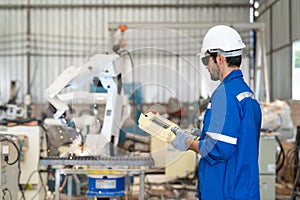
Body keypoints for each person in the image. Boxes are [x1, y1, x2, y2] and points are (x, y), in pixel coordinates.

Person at [171, 25, 262, 200]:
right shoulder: (246, 94)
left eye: (206, 60)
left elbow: (219, 149)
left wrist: (188, 143)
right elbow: (237, 140)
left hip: (224, 191)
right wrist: (204, 135)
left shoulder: (224, 95)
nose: (206, 67)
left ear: (219, 58)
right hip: (244, 189)